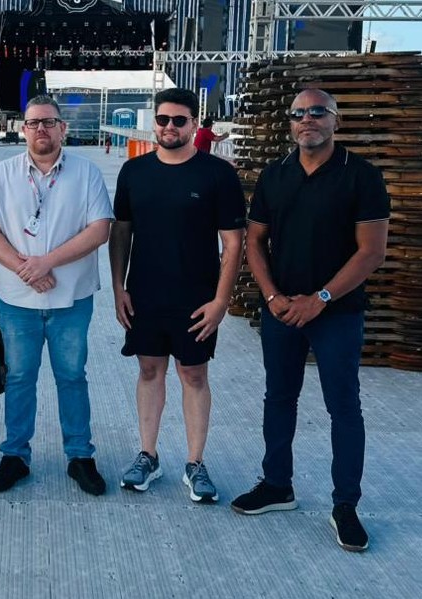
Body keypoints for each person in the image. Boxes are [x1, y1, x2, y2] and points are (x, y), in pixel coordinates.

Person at [231, 89, 390, 552]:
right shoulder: (275, 174)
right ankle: (277, 485)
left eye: (318, 112)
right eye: (298, 113)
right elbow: (254, 241)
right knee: (279, 398)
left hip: (337, 313)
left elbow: (372, 252)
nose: (308, 120)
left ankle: (345, 505)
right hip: (282, 310)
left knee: (343, 407)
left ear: (336, 120)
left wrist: (320, 298)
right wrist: (272, 296)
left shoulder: (361, 175)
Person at [109, 88, 246, 502]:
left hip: (196, 298)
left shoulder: (217, 174)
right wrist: (118, 287)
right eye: (163, 119)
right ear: (155, 122)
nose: (170, 127)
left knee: (194, 375)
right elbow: (121, 232)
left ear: (194, 124)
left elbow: (234, 243)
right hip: (145, 294)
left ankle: (195, 463)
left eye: (179, 120)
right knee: (149, 371)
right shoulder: (134, 172)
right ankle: (147, 455)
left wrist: (221, 302)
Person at [0, 95, 114, 496]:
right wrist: (26, 269)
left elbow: (99, 229)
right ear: (23, 129)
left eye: (49, 122)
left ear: (62, 129)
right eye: (34, 123)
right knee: (20, 377)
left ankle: (80, 455)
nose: (41, 129)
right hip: (17, 300)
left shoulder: (86, 173)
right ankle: (15, 455)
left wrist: (46, 262)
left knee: (72, 376)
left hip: (71, 298)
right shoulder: (2, 174)